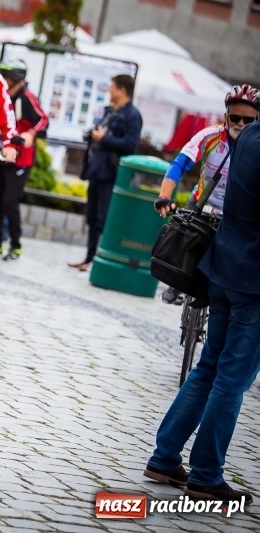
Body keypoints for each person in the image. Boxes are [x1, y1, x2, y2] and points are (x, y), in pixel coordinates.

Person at [142, 120, 260, 504]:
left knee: (208, 368)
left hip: (221, 265)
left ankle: (164, 458)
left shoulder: (249, 136)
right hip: (253, 279)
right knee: (231, 379)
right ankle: (206, 475)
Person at [153, 84, 260, 304]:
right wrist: (164, 195)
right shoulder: (210, 136)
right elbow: (180, 163)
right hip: (202, 202)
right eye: (236, 118)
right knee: (179, 233)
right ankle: (175, 283)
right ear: (226, 116)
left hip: (236, 212)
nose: (241, 124)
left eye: (248, 121)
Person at [68, 74, 142, 272]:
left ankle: (100, 259)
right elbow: (99, 132)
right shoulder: (110, 112)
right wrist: (92, 135)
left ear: (121, 90)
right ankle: (89, 257)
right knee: (92, 217)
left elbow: (129, 145)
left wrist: (103, 140)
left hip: (112, 174)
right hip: (96, 171)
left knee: (104, 218)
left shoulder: (132, 115)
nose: (109, 90)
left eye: (112, 87)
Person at [0, 58, 49, 261]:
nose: (3, 80)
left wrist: (31, 134)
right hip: (1, 155)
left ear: (16, 79)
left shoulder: (26, 97)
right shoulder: (1, 96)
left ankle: (15, 245)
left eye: (6, 77)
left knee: (9, 201)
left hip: (21, 160)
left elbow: (43, 120)